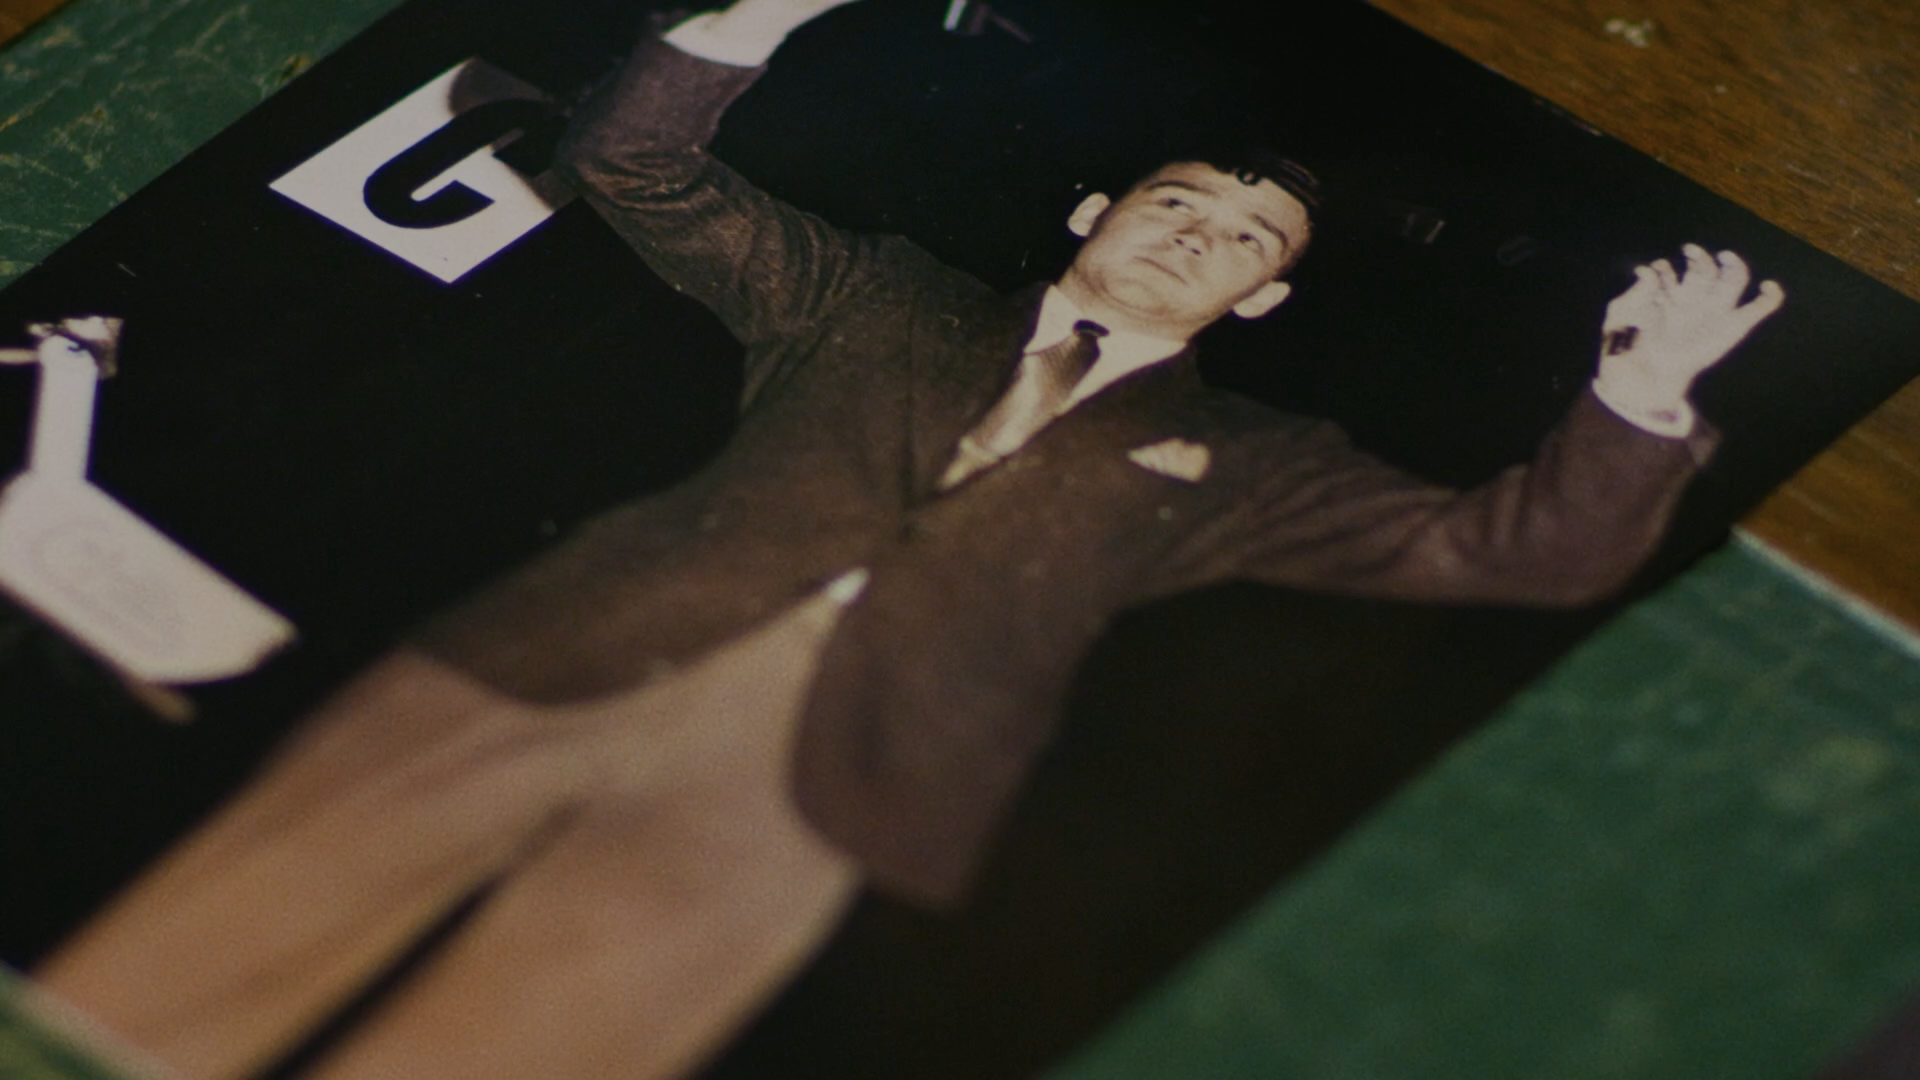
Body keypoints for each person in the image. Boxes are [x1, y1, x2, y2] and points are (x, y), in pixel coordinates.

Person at [32, 1, 1786, 1078]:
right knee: (170, 972)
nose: (1197, 235)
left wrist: (1634, 408)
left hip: (827, 794)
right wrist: (737, 30)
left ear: (1265, 302)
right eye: (1178, 199)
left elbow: (1514, 558)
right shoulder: (872, 301)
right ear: (1100, 212)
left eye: (1242, 239)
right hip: (539, 665)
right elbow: (641, 175)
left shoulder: (1256, 456)